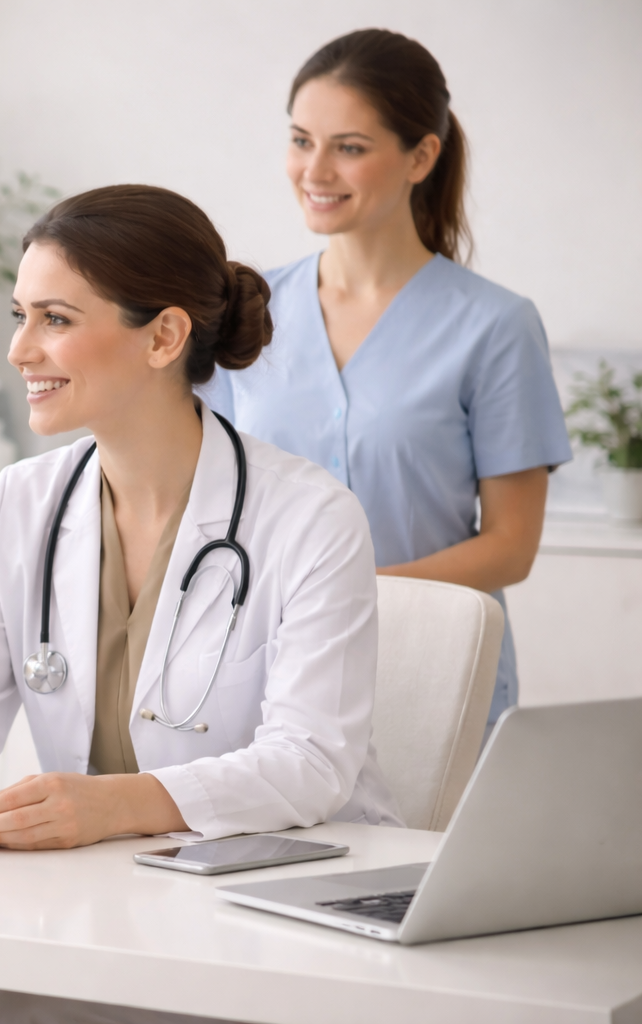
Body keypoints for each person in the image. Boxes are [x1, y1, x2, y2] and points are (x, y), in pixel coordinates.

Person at [0, 184, 400, 1024]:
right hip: (90, 889)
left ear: (165, 336)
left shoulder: (309, 518)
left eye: (55, 319)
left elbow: (312, 764)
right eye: (19, 314)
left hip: (261, 905)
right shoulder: (21, 502)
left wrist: (114, 802)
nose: (18, 349)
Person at [203, 29, 571, 735]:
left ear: (421, 156)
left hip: (436, 671)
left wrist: (340, 597)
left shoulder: (495, 325)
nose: (315, 169)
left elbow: (510, 547)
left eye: (349, 147)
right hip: (266, 672)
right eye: (301, 140)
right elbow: (208, 496)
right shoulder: (245, 312)